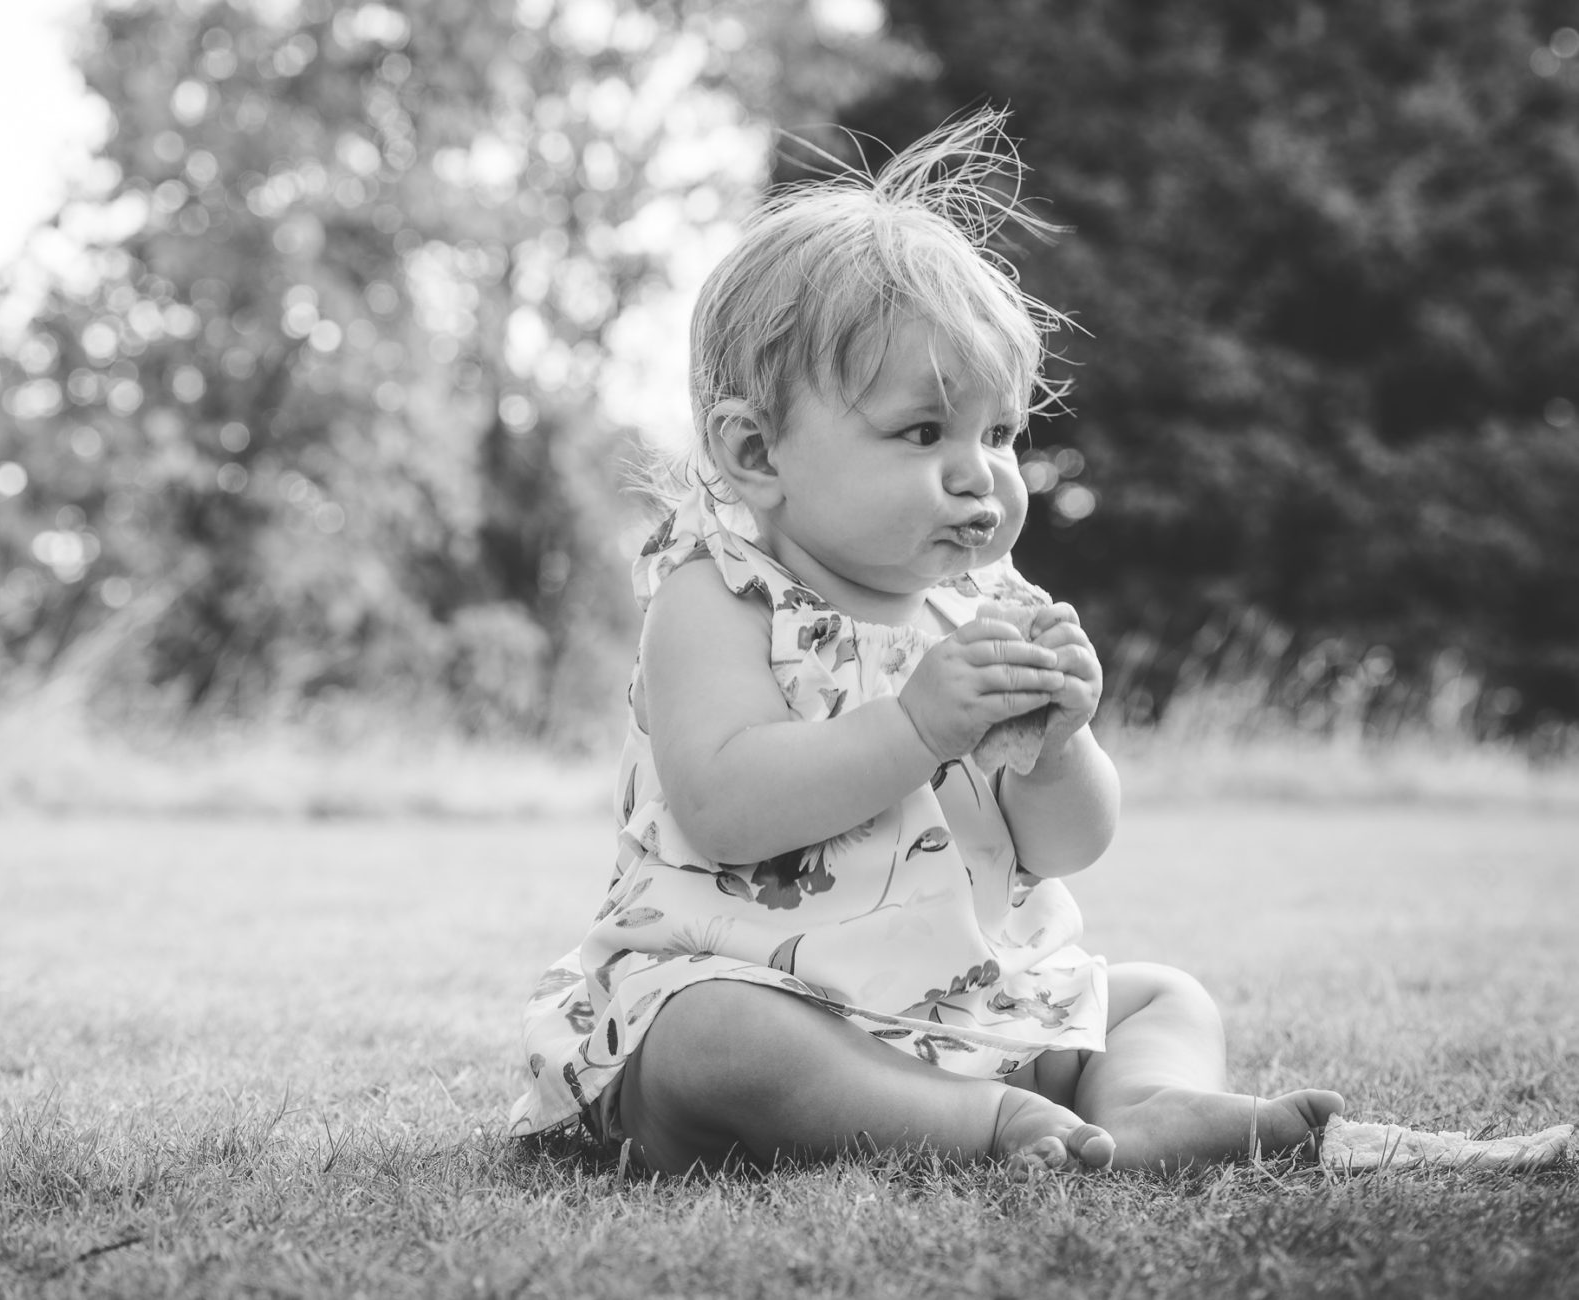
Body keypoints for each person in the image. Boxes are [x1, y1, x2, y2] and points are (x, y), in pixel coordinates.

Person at [509, 112, 1342, 1176]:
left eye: (998, 434)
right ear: (756, 451)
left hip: (967, 1007)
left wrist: (1057, 747)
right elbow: (722, 807)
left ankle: (1139, 1107)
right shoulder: (719, 595)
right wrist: (915, 726)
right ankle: (979, 1123)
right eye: (923, 432)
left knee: (1159, 996)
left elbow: (1065, 848)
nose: (978, 472)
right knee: (713, 1037)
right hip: (765, 995)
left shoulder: (983, 604)